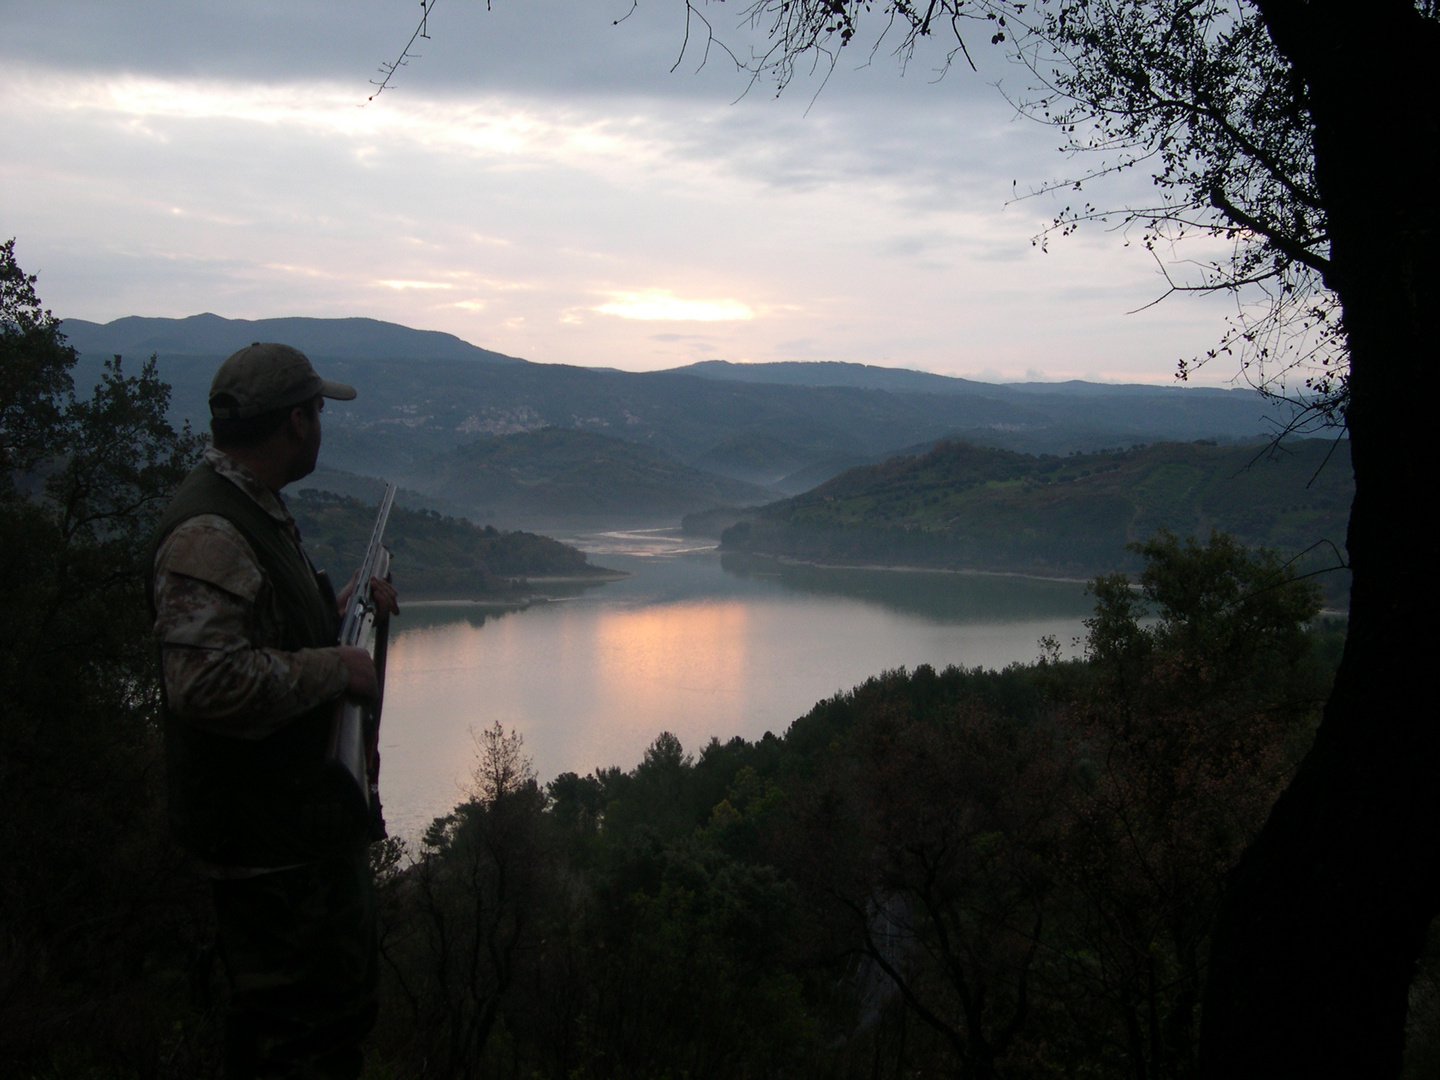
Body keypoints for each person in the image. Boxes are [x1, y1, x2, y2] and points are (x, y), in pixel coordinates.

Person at [146, 342, 399, 1079]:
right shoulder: (210, 532)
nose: (322, 427)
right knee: (298, 1042)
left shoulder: (250, 513)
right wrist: (338, 666)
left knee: (326, 1028)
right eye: (319, 412)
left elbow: (260, 635)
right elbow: (204, 685)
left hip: (294, 844)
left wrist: (345, 611)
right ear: (295, 422)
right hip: (272, 860)